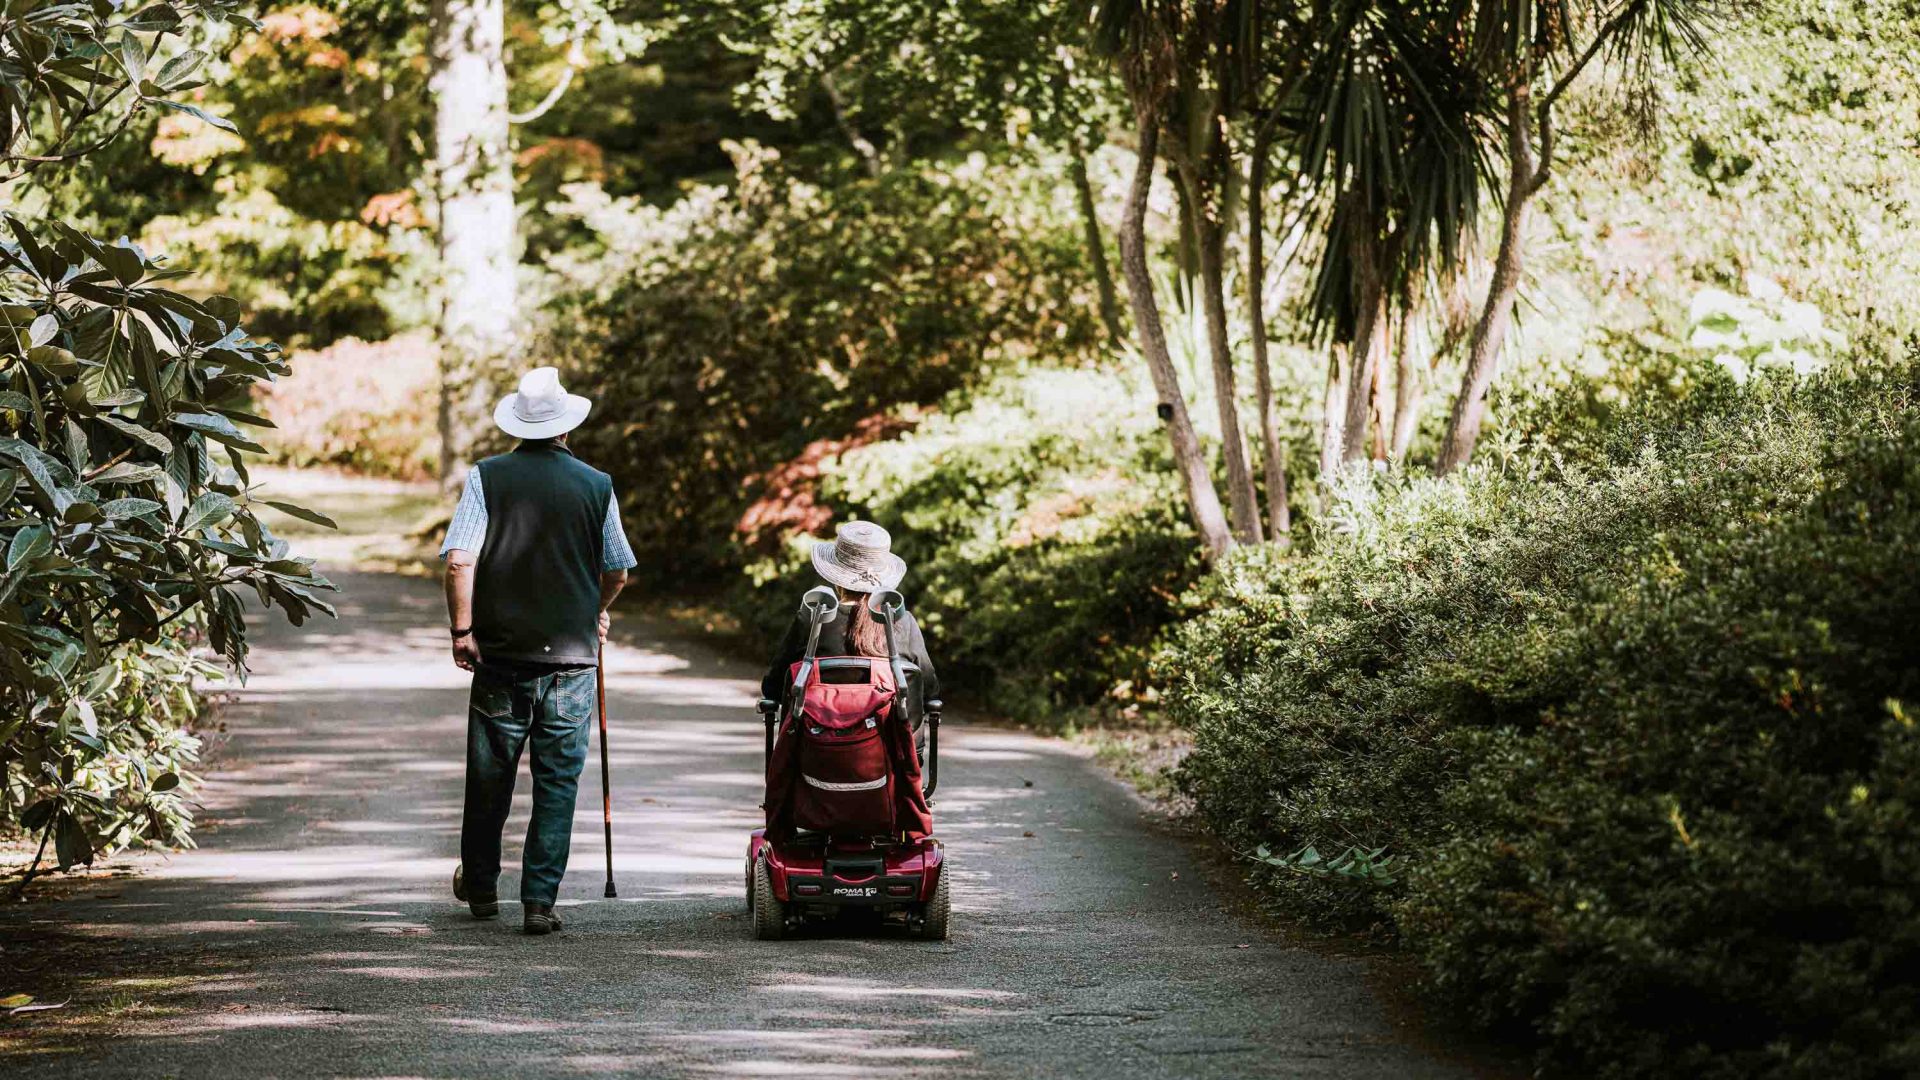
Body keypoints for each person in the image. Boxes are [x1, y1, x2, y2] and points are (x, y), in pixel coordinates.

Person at [440, 366, 636, 935]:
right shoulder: (597, 485)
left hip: (501, 657)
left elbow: (459, 559)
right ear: (566, 427)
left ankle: (480, 889)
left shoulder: (487, 478)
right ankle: (538, 902)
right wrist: (593, 610)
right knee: (557, 784)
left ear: (518, 426)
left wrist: (462, 631)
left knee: (489, 779)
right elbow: (617, 568)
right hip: (572, 663)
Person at [760, 521, 938, 747]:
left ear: (836, 577)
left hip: (814, 748)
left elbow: (773, 687)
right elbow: (929, 690)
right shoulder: (902, 621)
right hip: (890, 750)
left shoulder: (812, 620)